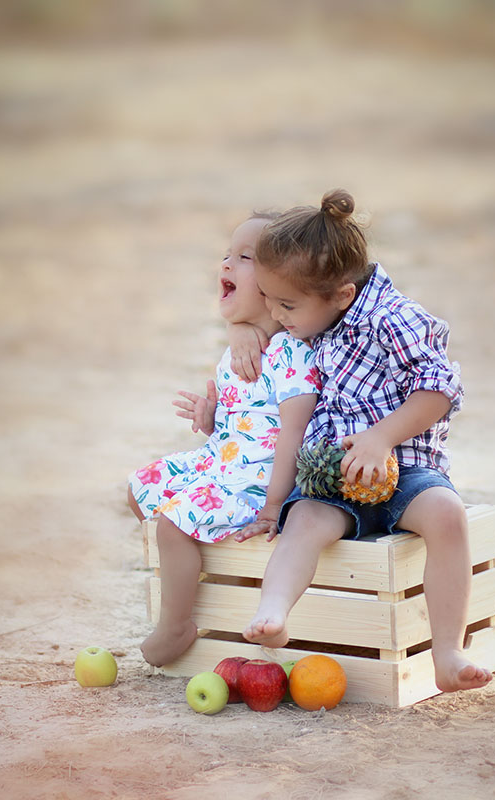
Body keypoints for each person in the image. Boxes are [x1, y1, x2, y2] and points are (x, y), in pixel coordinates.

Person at [242, 189, 493, 693]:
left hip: (406, 469)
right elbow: (256, 315)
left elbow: (440, 388)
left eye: (284, 304)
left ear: (342, 295)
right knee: (303, 521)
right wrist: (244, 332)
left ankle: (447, 651)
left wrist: (381, 438)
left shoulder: (393, 319)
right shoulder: (312, 312)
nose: (275, 313)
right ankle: (273, 611)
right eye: (268, 298)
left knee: (448, 514)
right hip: (334, 476)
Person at [128, 213, 322, 668]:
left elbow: (293, 432)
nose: (227, 264)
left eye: (244, 257)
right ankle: (211, 586)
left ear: (277, 285)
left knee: (173, 524)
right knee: (141, 487)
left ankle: (177, 625)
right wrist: (212, 417)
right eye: (226, 255)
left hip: (259, 480)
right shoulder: (237, 348)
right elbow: (242, 421)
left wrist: (275, 505)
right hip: (223, 462)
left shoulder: (293, 355)